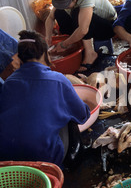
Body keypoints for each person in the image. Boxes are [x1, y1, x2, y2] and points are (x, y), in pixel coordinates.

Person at [0, 30, 90, 167]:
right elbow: (82, 115)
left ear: (19, 57)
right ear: (45, 54)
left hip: (8, 159)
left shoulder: (8, 83)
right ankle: (73, 161)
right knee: (70, 115)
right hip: (43, 158)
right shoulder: (59, 80)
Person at [45, 0, 117, 72]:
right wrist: (48, 37)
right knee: (59, 12)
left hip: (108, 27)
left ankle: (90, 53)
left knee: (77, 12)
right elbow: (50, 18)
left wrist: (64, 44)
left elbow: (83, 30)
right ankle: (76, 45)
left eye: (66, 4)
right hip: (87, 26)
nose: (64, 6)